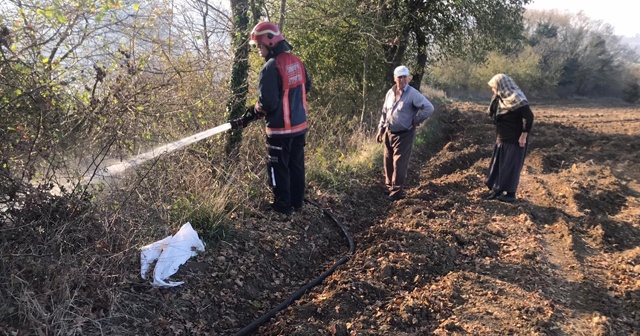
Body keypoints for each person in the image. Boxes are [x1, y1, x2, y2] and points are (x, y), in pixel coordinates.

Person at [250, 21, 312, 215]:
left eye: (259, 46)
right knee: (296, 165)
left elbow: (267, 103)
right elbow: (306, 86)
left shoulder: (270, 68)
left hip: (279, 130)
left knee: (278, 168)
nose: (258, 50)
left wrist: (255, 110)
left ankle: (282, 206)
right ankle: (297, 202)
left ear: (269, 43)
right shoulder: (296, 61)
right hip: (299, 127)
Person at [376, 65, 434, 201]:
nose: (402, 80)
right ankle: (390, 187)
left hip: (404, 134)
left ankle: (397, 192)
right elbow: (384, 113)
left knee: (399, 163)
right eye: (399, 77)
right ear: (394, 78)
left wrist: (416, 120)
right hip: (389, 133)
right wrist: (381, 129)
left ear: (408, 78)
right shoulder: (390, 93)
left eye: (404, 77)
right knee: (388, 161)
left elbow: (429, 108)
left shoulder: (413, 94)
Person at [485, 74, 534, 203]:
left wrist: (524, 135)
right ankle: (498, 191)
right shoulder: (500, 99)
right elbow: (492, 114)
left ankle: (510, 194)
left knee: (511, 166)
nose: (492, 89)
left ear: (501, 86)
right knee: (500, 165)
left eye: (494, 87)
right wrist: (494, 98)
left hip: (515, 139)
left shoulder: (517, 98)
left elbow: (529, 117)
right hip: (502, 138)